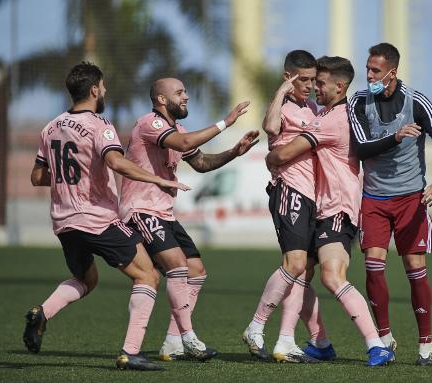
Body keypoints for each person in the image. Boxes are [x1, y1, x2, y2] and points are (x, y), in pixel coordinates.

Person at [24, 62, 188, 371]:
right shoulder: (101, 125)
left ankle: (42, 313)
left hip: (64, 223)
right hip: (97, 219)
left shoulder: (50, 127)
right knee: (148, 276)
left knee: (86, 279)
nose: (106, 91)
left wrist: (71, 178)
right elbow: (117, 162)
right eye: (104, 86)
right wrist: (158, 179)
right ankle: (130, 351)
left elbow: (37, 176)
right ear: (94, 90)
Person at [266, 56, 395, 366]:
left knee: (332, 275)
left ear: (339, 87)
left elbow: (283, 153)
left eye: (320, 83)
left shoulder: (332, 119)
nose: (314, 88)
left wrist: (271, 157)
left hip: (337, 207)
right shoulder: (331, 113)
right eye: (312, 82)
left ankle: (376, 345)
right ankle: (320, 341)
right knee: (300, 272)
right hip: (324, 207)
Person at [119, 77, 258, 361]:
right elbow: (183, 142)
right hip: (140, 209)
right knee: (177, 265)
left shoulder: (177, 129)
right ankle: (189, 338)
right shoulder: (150, 123)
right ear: (161, 99)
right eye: (180, 92)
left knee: (196, 270)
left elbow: (202, 163)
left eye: (186, 91)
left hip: (163, 213)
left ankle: (172, 342)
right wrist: (225, 123)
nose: (187, 97)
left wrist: (234, 152)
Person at [347, 42, 432, 366]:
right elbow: (361, 148)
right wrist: (395, 137)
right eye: (367, 69)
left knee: (414, 269)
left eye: (375, 71)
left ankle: (426, 344)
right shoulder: (359, 101)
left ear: (392, 73)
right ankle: (384, 337)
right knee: (372, 266)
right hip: (374, 199)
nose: (368, 75)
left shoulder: (417, 102)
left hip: (411, 198)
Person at [242, 50, 332, 363]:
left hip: (311, 197)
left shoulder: (309, 107)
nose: (309, 85)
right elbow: (269, 128)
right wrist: (280, 92)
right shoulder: (283, 106)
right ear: (288, 77)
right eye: (302, 79)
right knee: (294, 264)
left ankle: (289, 340)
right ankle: (256, 326)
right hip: (289, 191)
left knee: (304, 272)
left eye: (312, 79)